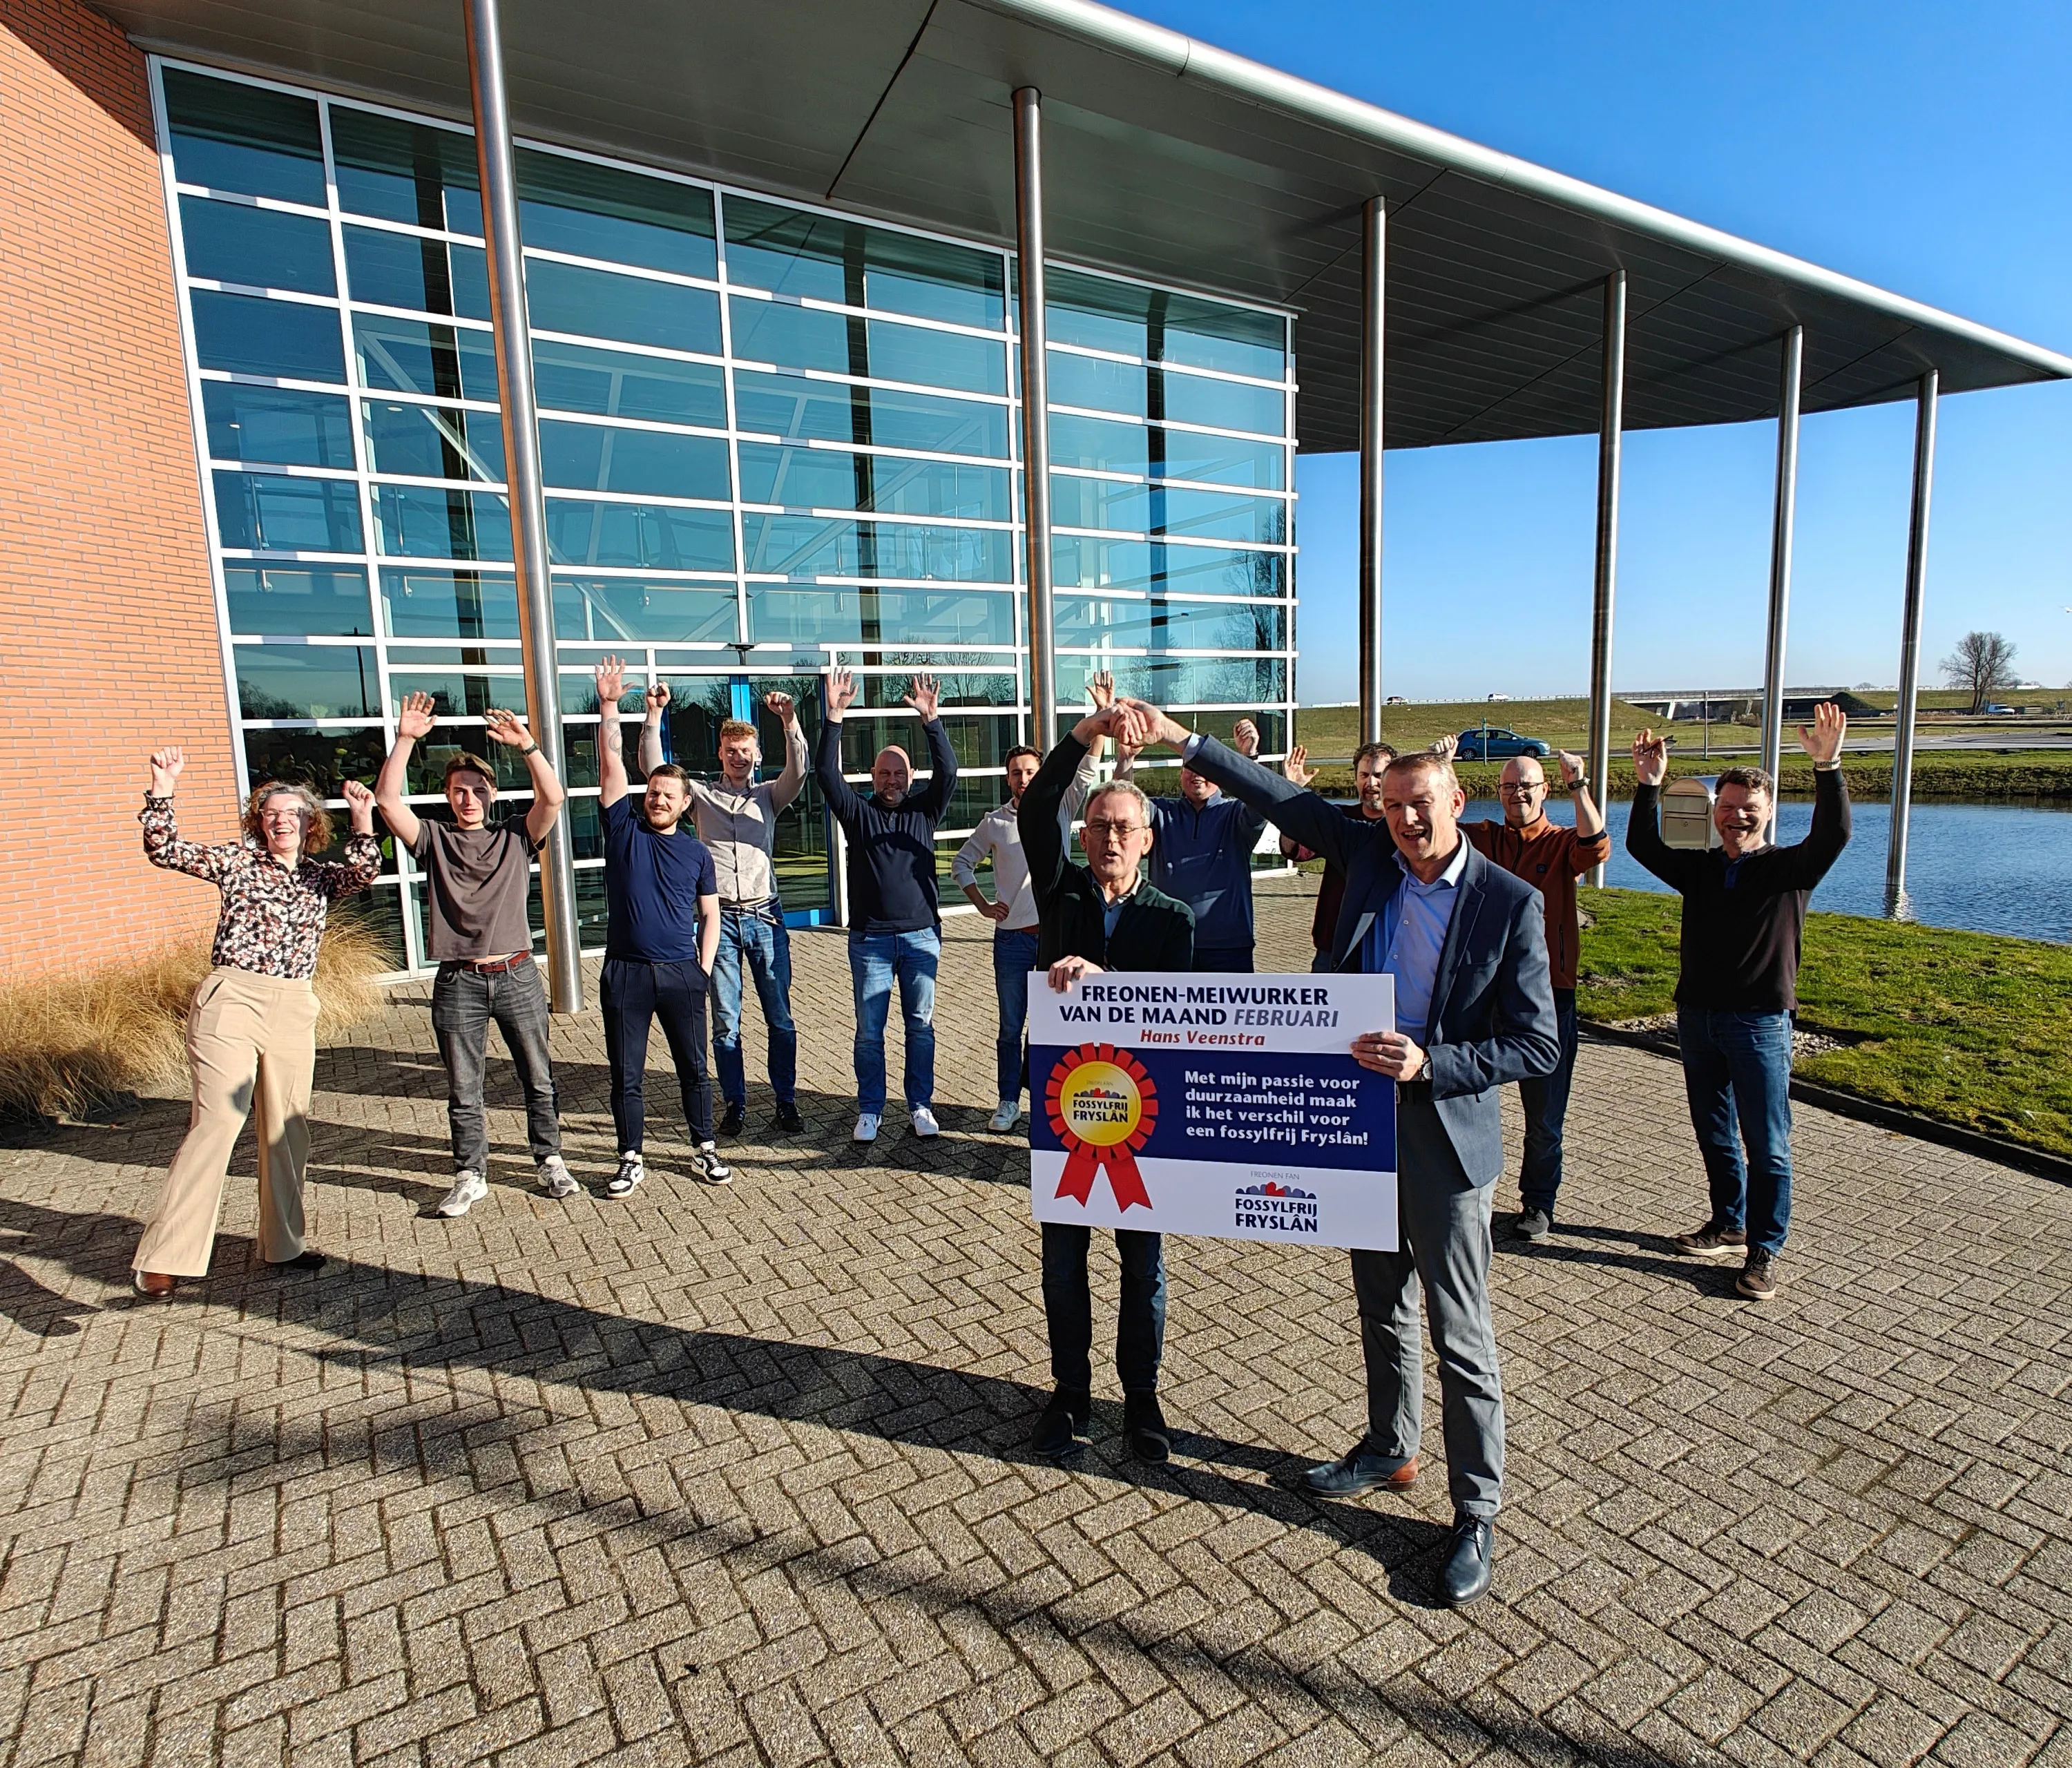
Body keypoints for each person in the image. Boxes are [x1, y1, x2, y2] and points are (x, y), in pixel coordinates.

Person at [1123, 700, 1557, 1607]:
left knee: (1462, 1336)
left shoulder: (1510, 903)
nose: (1404, 818)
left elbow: (1537, 1044)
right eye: (1391, 805)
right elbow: (1275, 795)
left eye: (1420, 804)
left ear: (1455, 800)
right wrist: (1179, 741)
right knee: (1381, 1306)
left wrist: (1434, 1061)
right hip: (1357, 1122)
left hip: (1443, 1131)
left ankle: (1476, 1510)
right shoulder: (1367, 855)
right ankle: (1389, 1446)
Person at [131, 751, 381, 1296]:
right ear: (258, 823)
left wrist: (364, 821)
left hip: (293, 1004)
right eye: (270, 813)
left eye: (292, 813)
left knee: (286, 1128)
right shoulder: (238, 863)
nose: (280, 820)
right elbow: (166, 850)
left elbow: (364, 872)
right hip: (233, 999)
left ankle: (283, 1244)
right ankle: (165, 1255)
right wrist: (163, 789)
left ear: (310, 824)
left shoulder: (320, 878)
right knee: (219, 1120)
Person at [1627, 703, 1852, 1302]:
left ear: (1768, 812)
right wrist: (1648, 786)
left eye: (1748, 809)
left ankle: (1763, 1249)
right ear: (1714, 813)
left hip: (1759, 1023)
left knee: (1767, 1143)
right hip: (1698, 1018)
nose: (1736, 818)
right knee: (1715, 1131)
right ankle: (1728, 1223)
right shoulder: (1700, 870)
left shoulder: (1790, 869)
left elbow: (1835, 834)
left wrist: (1827, 767)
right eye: (1726, 809)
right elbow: (1643, 847)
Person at [1019, 704, 1195, 1463]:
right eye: (1099, 827)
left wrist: (1106, 978)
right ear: (1082, 835)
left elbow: (1177, 1019)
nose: (1112, 838)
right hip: (1065, 1111)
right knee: (1063, 1260)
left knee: (1142, 1262)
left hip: (1139, 1121)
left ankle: (1142, 1396)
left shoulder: (1175, 920)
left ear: (1148, 840)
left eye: (1125, 828)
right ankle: (1069, 1392)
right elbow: (1034, 805)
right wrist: (1087, 732)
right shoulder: (1060, 890)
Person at [374, 692, 574, 1216]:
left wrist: (528, 745)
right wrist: (405, 740)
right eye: (460, 791)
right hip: (458, 982)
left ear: (492, 795)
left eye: (478, 791)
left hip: (516, 974)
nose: (469, 799)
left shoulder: (515, 836)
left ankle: (549, 1159)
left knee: (538, 1076)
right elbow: (389, 803)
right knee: (465, 1087)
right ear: (447, 796)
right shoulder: (434, 839)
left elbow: (553, 799)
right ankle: (470, 1174)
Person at [638, 684, 808, 1137]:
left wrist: (790, 722)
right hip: (722, 923)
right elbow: (657, 773)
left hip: (766, 920)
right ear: (720, 753)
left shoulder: (770, 796)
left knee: (780, 1017)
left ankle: (786, 1101)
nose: (739, 757)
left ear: (756, 754)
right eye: (732, 750)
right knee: (726, 1022)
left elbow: (800, 770)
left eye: (747, 751)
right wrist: (654, 715)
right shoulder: (701, 798)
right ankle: (735, 1103)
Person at [1457, 746, 1609, 1243]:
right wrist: (1440, 763)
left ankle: (1538, 1204)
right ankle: (1456, 1192)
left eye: (1527, 786)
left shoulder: (1562, 843)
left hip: (1548, 997)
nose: (1517, 794)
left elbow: (1598, 846)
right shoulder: (1482, 838)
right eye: (1507, 787)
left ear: (1545, 791)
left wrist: (1580, 785)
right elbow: (1437, 824)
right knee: (1460, 1095)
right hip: (1483, 992)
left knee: (1544, 1115)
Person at [594, 655, 729, 1196]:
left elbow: (711, 912)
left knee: (695, 1069)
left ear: (684, 804)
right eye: (652, 792)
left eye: (667, 795)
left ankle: (705, 1148)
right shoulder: (623, 830)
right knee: (626, 1075)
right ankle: (630, 1157)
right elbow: (609, 765)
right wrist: (611, 705)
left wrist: (702, 967)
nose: (656, 799)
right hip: (625, 973)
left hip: (681, 974)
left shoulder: (697, 852)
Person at [952, 672, 1110, 1134]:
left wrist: (1099, 720)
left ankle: (1050, 1102)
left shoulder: (1061, 807)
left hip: (1055, 942)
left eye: (1031, 771)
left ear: (1042, 774)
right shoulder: (995, 823)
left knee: (1051, 1028)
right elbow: (962, 864)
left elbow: (1085, 769)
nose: (1024, 778)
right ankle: (1006, 1101)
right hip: (1011, 943)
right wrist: (983, 905)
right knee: (1009, 1028)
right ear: (1008, 778)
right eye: (1017, 772)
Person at [816, 667, 958, 1143]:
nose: (892, 780)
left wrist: (931, 720)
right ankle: (871, 1109)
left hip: (921, 936)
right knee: (869, 1033)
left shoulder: (926, 810)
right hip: (871, 940)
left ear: (911, 777)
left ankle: (920, 1105)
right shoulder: (858, 814)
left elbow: (951, 772)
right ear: (873, 777)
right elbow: (824, 774)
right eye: (884, 774)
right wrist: (835, 715)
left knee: (920, 1027)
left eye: (899, 773)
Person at [1115, 717, 1267, 972]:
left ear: (1220, 775)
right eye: (1190, 767)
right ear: (1181, 773)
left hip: (1227, 948)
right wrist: (1126, 759)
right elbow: (1123, 806)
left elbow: (1260, 799)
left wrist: (1248, 757)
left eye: (1206, 769)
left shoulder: (1236, 814)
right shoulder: (1162, 812)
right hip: (1167, 941)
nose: (1197, 775)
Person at [1278, 740, 1397, 969]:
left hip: (1387, 946)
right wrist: (1291, 796)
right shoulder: (1339, 818)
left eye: (1379, 775)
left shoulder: (1405, 826)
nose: (1370, 783)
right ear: (1355, 778)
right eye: (1364, 775)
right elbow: (1295, 849)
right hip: (1332, 947)